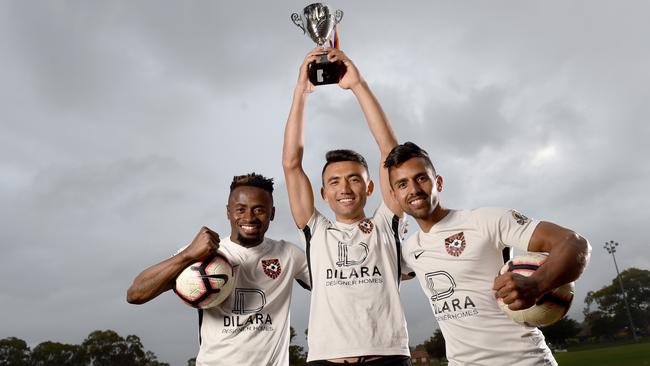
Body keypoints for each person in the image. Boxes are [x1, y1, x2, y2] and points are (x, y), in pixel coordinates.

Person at [383, 142, 592, 366]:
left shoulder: (485, 221)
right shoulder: (410, 249)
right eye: (402, 184)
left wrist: (537, 285)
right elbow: (380, 274)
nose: (413, 189)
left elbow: (574, 244)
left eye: (421, 178)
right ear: (395, 196)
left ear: (439, 182)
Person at [283, 48, 412, 365]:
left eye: (354, 179)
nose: (344, 188)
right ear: (323, 193)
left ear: (370, 187)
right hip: (327, 359)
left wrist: (358, 84)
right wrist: (301, 92)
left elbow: (390, 152)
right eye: (335, 181)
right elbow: (291, 164)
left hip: (387, 357)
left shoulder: (386, 224)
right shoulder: (317, 232)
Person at [126, 173, 310, 366]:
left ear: (272, 213)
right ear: (228, 212)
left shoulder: (288, 254)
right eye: (240, 209)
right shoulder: (202, 254)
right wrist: (187, 255)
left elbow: (332, 286)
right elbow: (135, 294)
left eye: (259, 210)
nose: (249, 217)